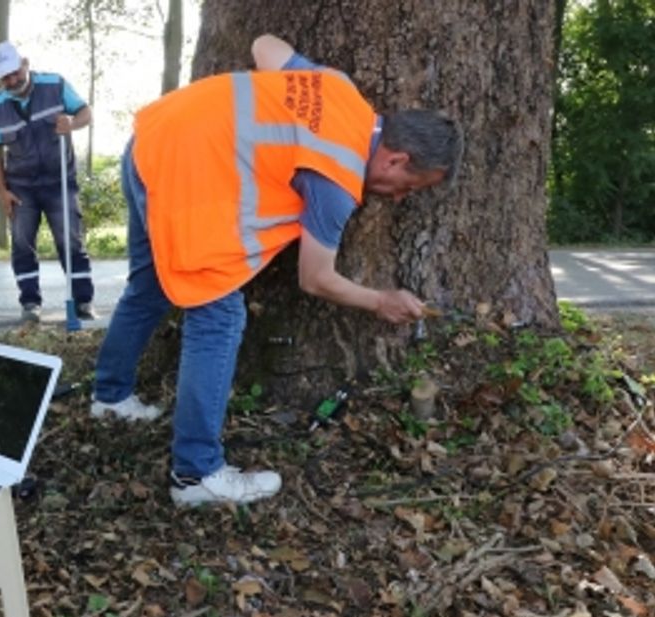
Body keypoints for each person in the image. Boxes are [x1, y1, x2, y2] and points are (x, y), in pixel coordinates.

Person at [91, 34, 463, 508]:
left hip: (151, 143)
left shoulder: (338, 89)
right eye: (409, 186)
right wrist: (381, 300)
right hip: (184, 177)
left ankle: (109, 398)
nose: (399, 197)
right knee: (220, 318)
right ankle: (195, 474)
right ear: (397, 158)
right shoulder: (338, 177)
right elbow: (315, 278)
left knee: (148, 286)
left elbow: (264, 45)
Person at [0, 41, 97, 324]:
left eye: (15, 73)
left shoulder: (54, 84)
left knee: (70, 241)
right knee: (22, 244)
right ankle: (30, 304)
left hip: (59, 180)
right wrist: (3, 193)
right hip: (21, 186)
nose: (12, 81)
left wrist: (72, 124)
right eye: (5, 77)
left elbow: (86, 112)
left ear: (25, 63)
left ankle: (83, 302)